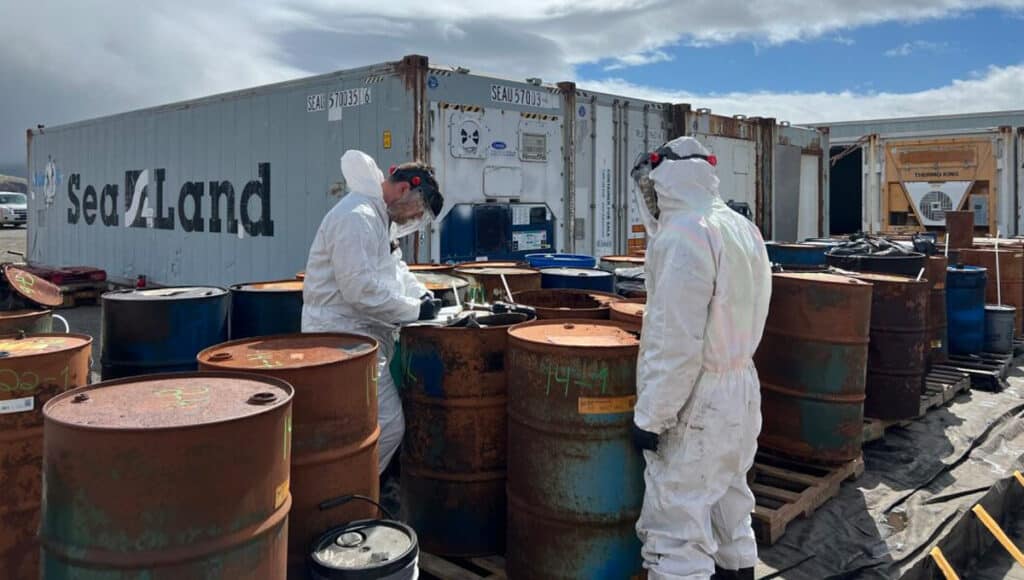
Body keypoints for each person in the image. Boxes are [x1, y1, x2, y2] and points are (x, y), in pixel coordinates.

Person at [629, 136, 772, 580]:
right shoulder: (739, 226)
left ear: (663, 179)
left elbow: (675, 342)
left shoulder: (682, 234)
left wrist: (651, 418)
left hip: (699, 401)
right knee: (731, 509)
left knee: (676, 528)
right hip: (742, 389)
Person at [302, 150, 444, 474]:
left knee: (359, 427)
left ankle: (352, 495)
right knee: (385, 425)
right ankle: (350, 497)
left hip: (358, 337)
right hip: (339, 338)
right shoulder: (358, 217)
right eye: (418, 213)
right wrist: (414, 309)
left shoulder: (378, 218)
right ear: (404, 190)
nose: (414, 221)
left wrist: (422, 296)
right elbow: (359, 289)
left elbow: (395, 270)